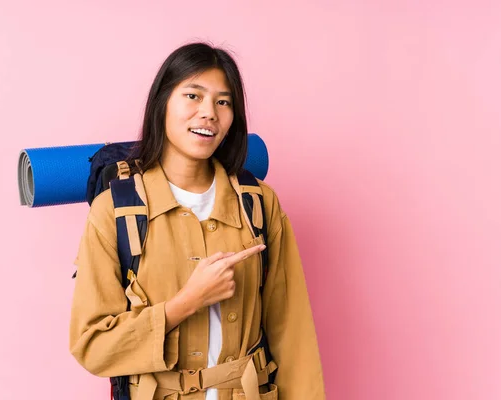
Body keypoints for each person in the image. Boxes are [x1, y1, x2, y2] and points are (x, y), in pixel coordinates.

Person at [69, 42, 325, 400]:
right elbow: (93, 346)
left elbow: (292, 334)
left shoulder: (260, 204)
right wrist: (187, 301)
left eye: (223, 102)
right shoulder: (113, 211)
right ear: (163, 103)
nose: (209, 113)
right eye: (193, 95)